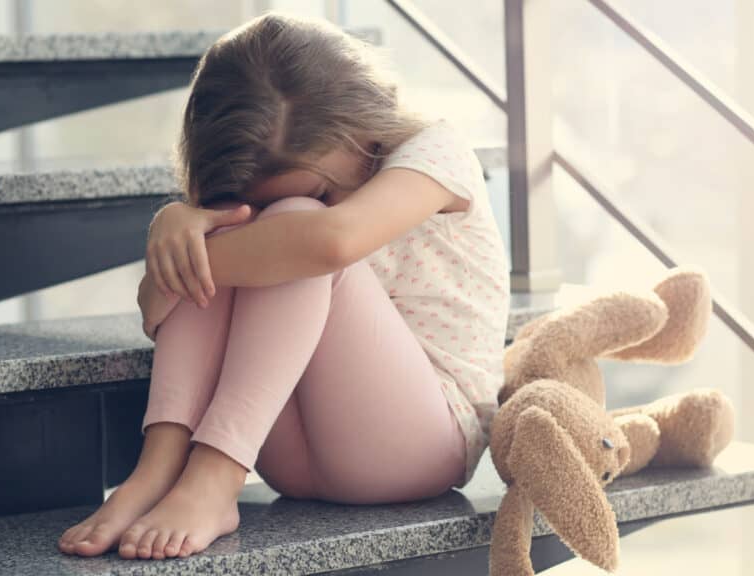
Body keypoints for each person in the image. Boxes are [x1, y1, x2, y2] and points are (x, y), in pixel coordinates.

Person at [58, 11, 510, 561]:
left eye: (324, 189)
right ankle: (158, 469)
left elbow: (330, 244)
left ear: (362, 132)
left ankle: (215, 477)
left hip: (419, 443)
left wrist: (177, 253)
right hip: (288, 447)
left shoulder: (435, 151)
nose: (313, 202)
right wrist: (183, 226)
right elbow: (155, 307)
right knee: (235, 228)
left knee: (293, 236)